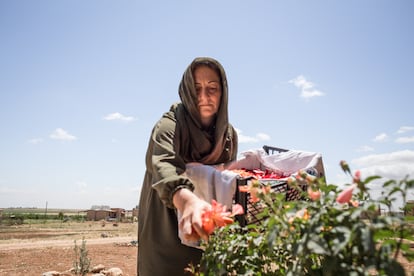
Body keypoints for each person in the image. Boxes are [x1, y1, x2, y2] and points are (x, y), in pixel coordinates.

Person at [137, 57, 238, 275]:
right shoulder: (169, 125)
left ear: (223, 92)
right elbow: (164, 166)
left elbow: (229, 180)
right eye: (196, 89)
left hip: (208, 227)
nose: (204, 97)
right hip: (166, 224)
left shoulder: (228, 136)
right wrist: (189, 202)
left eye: (212, 88)